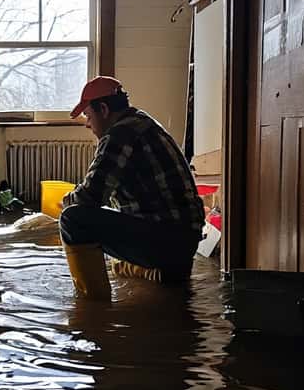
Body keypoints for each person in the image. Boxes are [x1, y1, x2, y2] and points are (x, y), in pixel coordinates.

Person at [59, 76, 205, 299]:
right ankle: (158, 273)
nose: (87, 124)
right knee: (105, 224)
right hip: (184, 239)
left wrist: (65, 201)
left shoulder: (120, 134)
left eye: (88, 116)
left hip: (168, 239)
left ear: (104, 109)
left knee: (73, 220)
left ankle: (91, 305)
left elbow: (91, 196)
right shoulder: (142, 121)